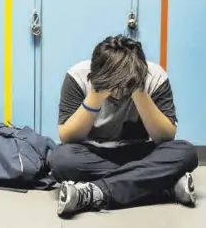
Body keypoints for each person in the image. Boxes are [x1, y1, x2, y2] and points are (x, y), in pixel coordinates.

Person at [49, 34, 198, 218]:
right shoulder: (78, 76)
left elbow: (165, 137)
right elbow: (68, 137)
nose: (119, 92)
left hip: (140, 152)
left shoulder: (155, 76)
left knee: (185, 152)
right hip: (94, 153)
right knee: (61, 159)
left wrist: (139, 92)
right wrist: (96, 96)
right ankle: (162, 187)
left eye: (124, 84)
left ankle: (92, 193)